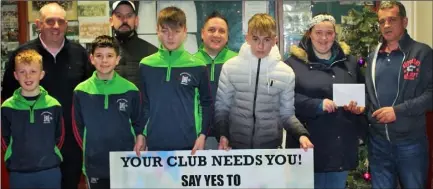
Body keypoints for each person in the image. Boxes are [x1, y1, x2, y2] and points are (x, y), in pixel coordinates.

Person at [0, 3, 93, 189]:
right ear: (38, 24)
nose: (56, 26)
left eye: (61, 21)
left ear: (67, 24)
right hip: (31, 152)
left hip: (72, 145)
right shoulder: (22, 55)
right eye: (50, 21)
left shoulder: (80, 53)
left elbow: (89, 96)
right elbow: (9, 100)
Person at [347, 1, 432, 188]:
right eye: (382, 21)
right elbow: (370, 96)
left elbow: (431, 94)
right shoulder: (373, 57)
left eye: (392, 20)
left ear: (405, 21)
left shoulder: (421, 53)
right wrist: (364, 107)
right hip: (378, 144)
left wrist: (398, 111)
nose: (386, 25)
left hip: (411, 144)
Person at [284, 13, 367, 189]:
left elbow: (364, 93)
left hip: (341, 148)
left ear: (335, 35)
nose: (324, 38)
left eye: (329, 33)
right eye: (318, 32)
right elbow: (284, 99)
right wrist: (317, 105)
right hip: (307, 146)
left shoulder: (350, 63)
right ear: (309, 34)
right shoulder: (292, 64)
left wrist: (359, 108)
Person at [214, 13, 313, 150]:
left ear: (274, 41)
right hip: (235, 148)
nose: (260, 46)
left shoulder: (286, 73)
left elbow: (287, 114)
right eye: (255, 39)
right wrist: (223, 135)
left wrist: (301, 135)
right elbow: (222, 108)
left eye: (266, 40)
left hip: (270, 150)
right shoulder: (230, 67)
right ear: (247, 38)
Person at [72, 35, 146, 188]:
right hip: (95, 164)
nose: (104, 61)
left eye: (109, 56)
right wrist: (90, 148)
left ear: (117, 59)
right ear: (92, 59)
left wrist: (140, 137)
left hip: (125, 161)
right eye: (99, 56)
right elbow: (77, 128)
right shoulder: (81, 91)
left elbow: (139, 123)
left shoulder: (130, 90)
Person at [139, 6, 212, 154]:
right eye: (165, 31)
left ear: (185, 32)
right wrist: (141, 134)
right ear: (157, 31)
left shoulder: (198, 66)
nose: (170, 37)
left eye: (176, 31)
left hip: (190, 145)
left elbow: (206, 104)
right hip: (154, 144)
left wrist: (202, 135)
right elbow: (144, 104)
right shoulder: (146, 65)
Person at [1, 49, 64, 189]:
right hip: (19, 172)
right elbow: (4, 139)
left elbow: (60, 137)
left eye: (33, 71)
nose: (27, 76)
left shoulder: (53, 105)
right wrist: (14, 157)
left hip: (49, 171)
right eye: (22, 72)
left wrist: (49, 154)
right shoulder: (7, 107)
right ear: (15, 75)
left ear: (41, 74)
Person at [193, 11, 237, 149]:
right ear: (202, 33)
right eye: (211, 30)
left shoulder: (238, 61)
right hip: (197, 137)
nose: (216, 35)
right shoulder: (190, 62)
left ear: (228, 35)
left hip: (231, 137)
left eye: (222, 31)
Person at [110, 0, 158, 87]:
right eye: (119, 16)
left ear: (136, 20)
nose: (124, 20)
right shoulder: (100, 53)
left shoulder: (151, 52)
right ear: (111, 21)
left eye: (129, 16)